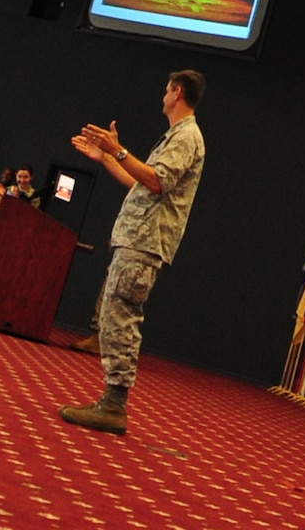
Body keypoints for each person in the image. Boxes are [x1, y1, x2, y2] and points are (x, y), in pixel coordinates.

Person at [59, 70, 207, 436]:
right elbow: (141, 182)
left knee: (121, 316)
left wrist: (118, 150)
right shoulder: (175, 135)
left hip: (146, 242)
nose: (162, 96)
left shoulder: (187, 136)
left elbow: (157, 181)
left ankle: (114, 405)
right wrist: (106, 158)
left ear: (177, 92)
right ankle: (110, 400)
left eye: (166, 90)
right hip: (137, 239)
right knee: (113, 315)